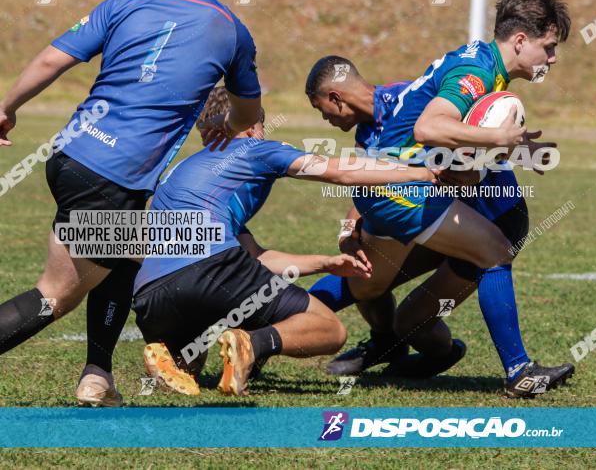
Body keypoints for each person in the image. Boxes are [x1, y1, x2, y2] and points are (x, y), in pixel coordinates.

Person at [0, 0, 263, 406]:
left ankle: (97, 376)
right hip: (111, 177)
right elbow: (248, 112)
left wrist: (7, 107)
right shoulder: (231, 30)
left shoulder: (124, 2)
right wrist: (224, 122)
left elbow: (55, 57)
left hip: (70, 157)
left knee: (126, 256)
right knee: (52, 296)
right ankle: (96, 375)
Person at [307, 0, 576, 397]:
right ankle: (519, 371)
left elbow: (451, 147)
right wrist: (497, 145)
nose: (553, 59)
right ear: (520, 41)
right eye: (550, 47)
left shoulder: (479, 63)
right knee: (491, 252)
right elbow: (429, 128)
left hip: (396, 192)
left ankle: (265, 331)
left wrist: (509, 147)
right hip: (406, 193)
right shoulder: (477, 73)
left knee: (376, 289)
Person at [134, 87, 440, 396]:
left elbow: (253, 255)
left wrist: (325, 263)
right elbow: (338, 171)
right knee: (330, 329)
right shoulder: (256, 148)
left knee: (191, 364)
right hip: (211, 268)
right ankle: (251, 344)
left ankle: (168, 354)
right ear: (253, 124)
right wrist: (418, 173)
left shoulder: (181, 170)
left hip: (151, 293)